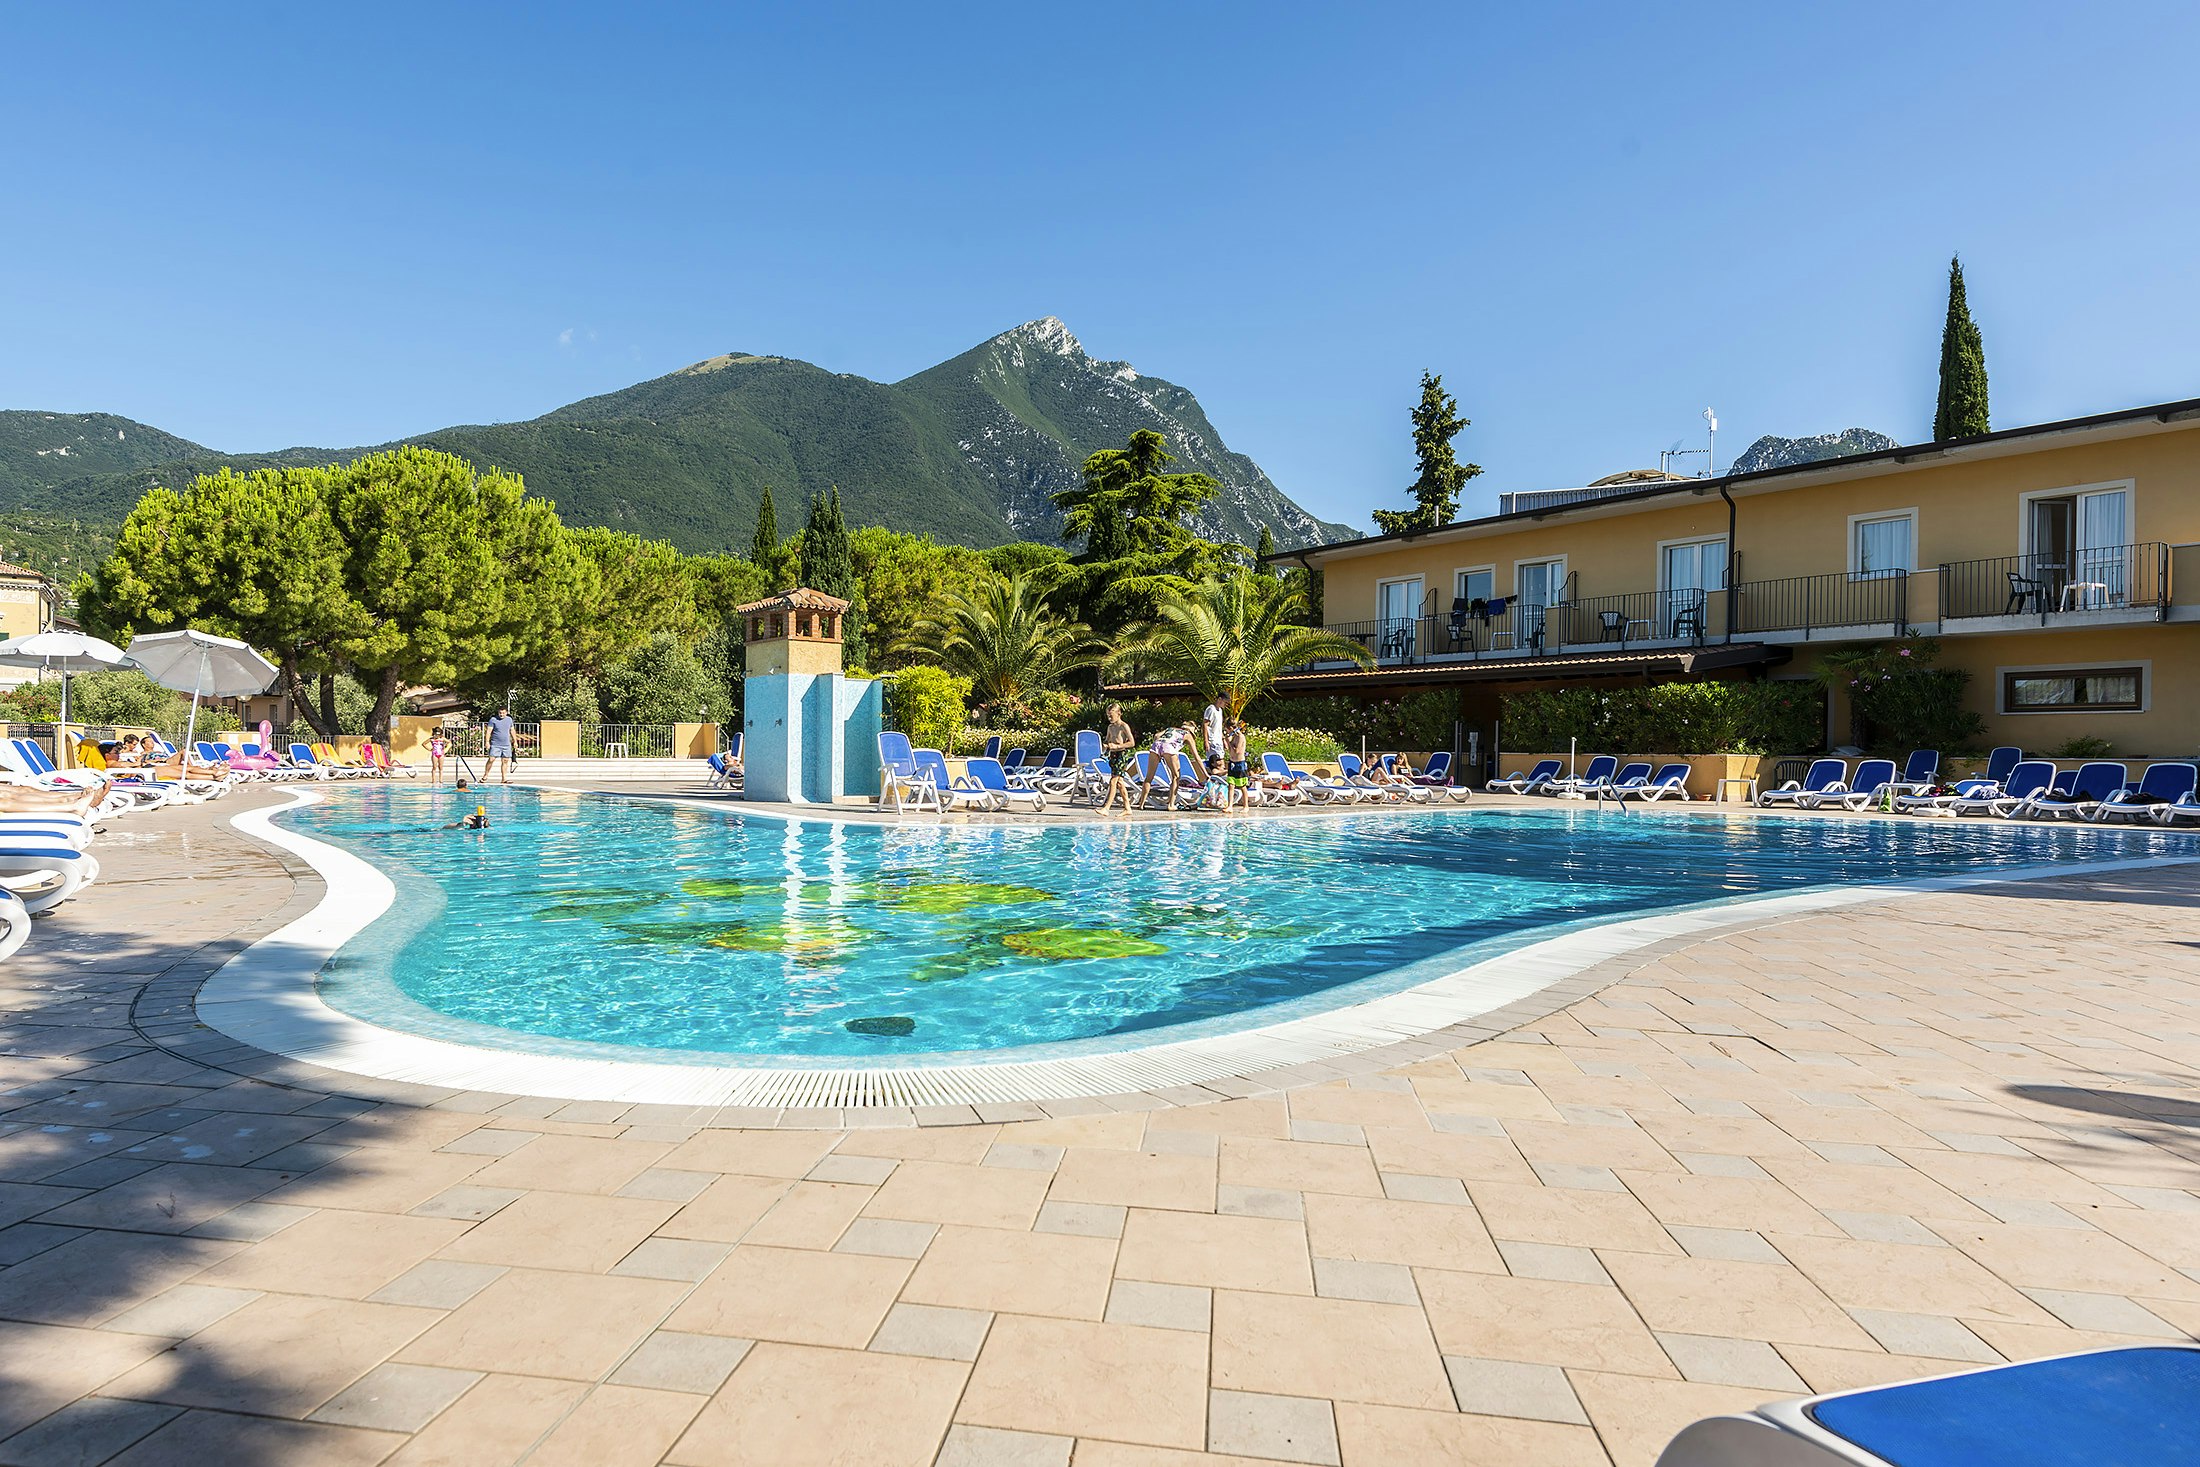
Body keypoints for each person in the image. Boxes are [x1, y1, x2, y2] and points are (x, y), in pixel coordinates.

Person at [1140, 722, 1193, 809]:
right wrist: (1206, 774)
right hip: (1169, 748)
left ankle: (1141, 804)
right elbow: (1196, 757)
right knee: (1176, 776)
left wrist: (1160, 752)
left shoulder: (1171, 729)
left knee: (1149, 777)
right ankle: (1171, 805)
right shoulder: (1188, 735)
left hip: (1156, 745)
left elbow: (1156, 736)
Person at [1099, 704, 1139, 814]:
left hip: (1121, 755)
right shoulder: (1110, 727)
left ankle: (1107, 808)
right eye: (1108, 716)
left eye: (1111, 716)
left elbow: (1132, 743)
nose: (1109, 718)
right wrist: (1105, 746)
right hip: (1113, 755)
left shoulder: (1123, 726)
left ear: (1119, 714)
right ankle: (1127, 808)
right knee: (1120, 783)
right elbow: (1107, 740)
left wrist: (1117, 746)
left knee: (1113, 781)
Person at [483, 708, 518, 785]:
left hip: (506, 744)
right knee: (491, 759)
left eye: (503, 713)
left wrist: (515, 741)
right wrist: (487, 742)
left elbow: (512, 730)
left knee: (505, 761)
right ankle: (486, 775)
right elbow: (489, 731)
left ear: (506, 713)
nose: (501, 714)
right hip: (495, 744)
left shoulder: (509, 720)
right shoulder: (493, 720)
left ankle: (504, 778)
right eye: (500, 713)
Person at [1225, 721, 1253, 810]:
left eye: (1227, 730)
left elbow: (1237, 751)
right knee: (1231, 785)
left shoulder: (1240, 737)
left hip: (1240, 764)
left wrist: (1229, 742)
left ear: (1231, 728)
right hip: (1232, 763)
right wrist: (1226, 741)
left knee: (1242, 786)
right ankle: (1230, 806)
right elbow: (1229, 749)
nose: (1227, 732)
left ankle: (1246, 806)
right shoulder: (1234, 737)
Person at [1202, 694, 1229, 764]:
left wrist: (1223, 740)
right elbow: (1205, 725)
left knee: (1221, 762)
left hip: (1218, 741)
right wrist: (1206, 741)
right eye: (1225, 702)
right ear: (1219, 699)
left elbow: (1218, 727)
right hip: (1212, 741)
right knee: (1216, 763)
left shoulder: (1220, 711)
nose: (1226, 705)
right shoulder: (1211, 709)